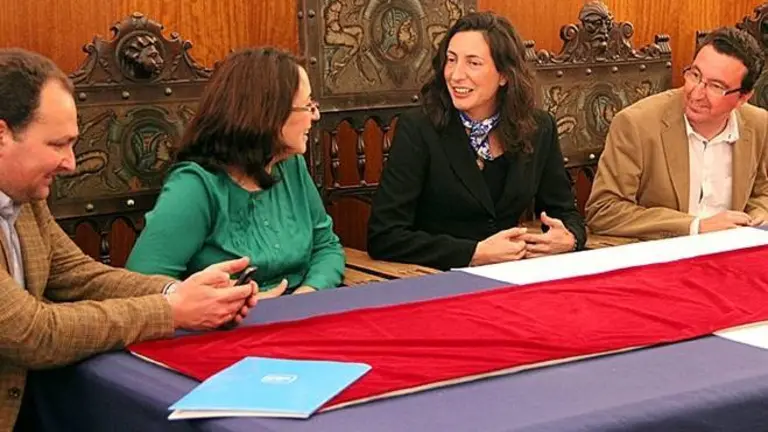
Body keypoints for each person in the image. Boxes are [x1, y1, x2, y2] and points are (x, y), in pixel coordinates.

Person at [0, 48, 259, 431]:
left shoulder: (26, 196)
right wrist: (172, 312)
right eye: (56, 145)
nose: (71, 163)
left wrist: (182, 292)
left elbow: (79, 275)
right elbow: (32, 333)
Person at [367, 11, 586, 271]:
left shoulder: (539, 127)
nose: (455, 75)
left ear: (504, 75)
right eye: (451, 60)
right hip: (437, 276)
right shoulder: (418, 129)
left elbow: (565, 212)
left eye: (473, 63)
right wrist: (473, 253)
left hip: (514, 273)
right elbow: (384, 236)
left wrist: (570, 238)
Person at [126, 48, 345, 296]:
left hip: (302, 309)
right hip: (224, 318)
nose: (315, 115)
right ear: (268, 114)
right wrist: (230, 303)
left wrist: (307, 292)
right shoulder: (195, 186)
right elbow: (140, 284)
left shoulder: (291, 165)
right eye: (307, 106)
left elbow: (326, 247)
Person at [585, 27, 768, 241]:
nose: (696, 93)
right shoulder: (636, 124)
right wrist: (695, 226)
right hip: (660, 251)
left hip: (731, 250)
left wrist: (759, 214)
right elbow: (604, 210)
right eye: (695, 75)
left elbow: (762, 192)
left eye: (716, 86)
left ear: (743, 98)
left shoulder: (759, 125)